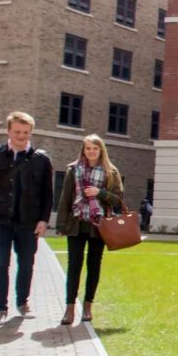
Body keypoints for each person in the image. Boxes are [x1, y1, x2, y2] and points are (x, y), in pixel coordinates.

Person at [0, 111, 55, 326]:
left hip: (28, 222)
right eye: (17, 132)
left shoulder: (41, 159)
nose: (22, 136)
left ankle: (23, 302)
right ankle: (0, 308)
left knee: (27, 263)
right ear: (8, 131)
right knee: (0, 263)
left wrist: (43, 220)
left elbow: (48, 193)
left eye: (26, 132)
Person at [55, 135, 124, 326]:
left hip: (99, 226)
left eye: (95, 148)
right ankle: (69, 308)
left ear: (101, 150)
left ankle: (87, 306)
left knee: (94, 266)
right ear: (83, 150)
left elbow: (118, 200)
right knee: (74, 266)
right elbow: (65, 198)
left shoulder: (111, 172)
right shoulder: (73, 169)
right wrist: (61, 224)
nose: (91, 152)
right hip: (77, 222)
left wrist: (99, 192)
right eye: (88, 149)